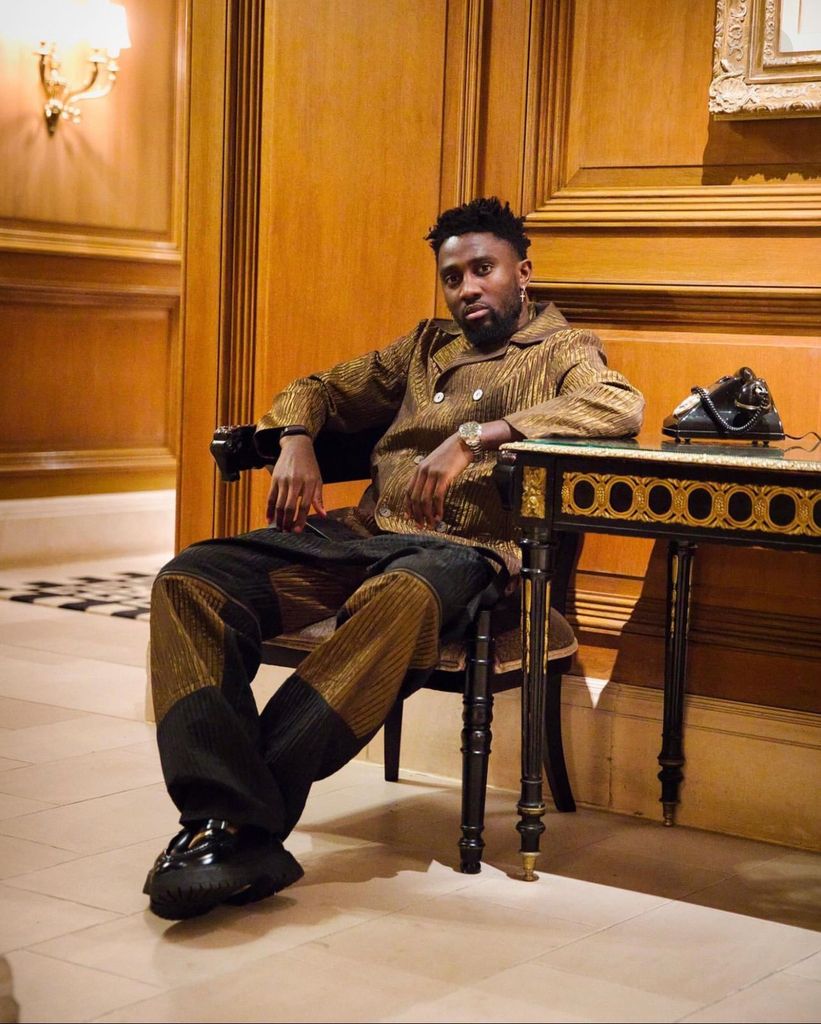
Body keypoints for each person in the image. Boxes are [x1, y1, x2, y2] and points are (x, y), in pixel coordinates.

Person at [143, 197, 644, 920]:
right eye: (453, 277)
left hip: (468, 555)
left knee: (400, 595)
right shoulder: (422, 349)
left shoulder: (564, 349)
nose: (467, 288)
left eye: (484, 269)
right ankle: (229, 822)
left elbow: (618, 406)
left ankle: (228, 824)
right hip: (363, 538)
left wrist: (477, 435)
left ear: (523, 273)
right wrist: (294, 441)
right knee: (189, 581)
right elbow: (315, 389)